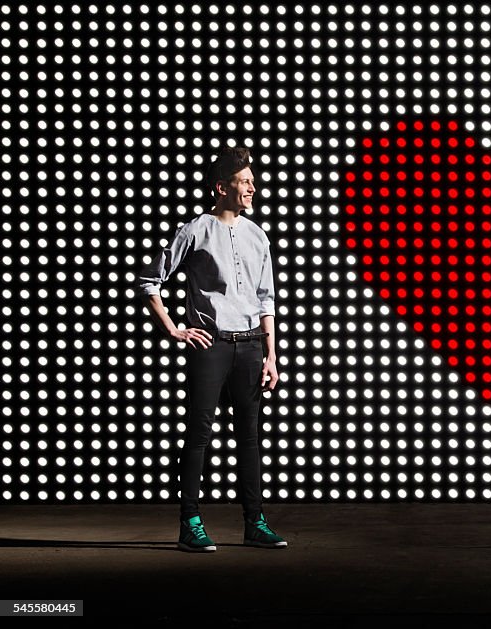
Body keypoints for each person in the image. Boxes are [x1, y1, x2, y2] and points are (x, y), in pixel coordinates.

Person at [136, 146, 286, 552]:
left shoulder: (258, 235)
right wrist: (174, 329)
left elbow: (265, 299)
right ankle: (191, 524)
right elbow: (150, 281)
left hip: (251, 346)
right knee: (199, 436)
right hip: (212, 345)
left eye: (253, 180)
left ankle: (254, 522)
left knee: (249, 438)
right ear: (222, 187)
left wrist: (271, 355)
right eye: (244, 181)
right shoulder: (196, 229)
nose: (253, 187)